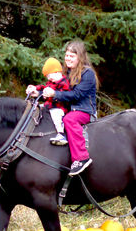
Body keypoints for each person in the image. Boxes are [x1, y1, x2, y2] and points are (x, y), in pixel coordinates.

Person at [42, 40, 99, 176]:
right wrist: (38, 92)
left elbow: (77, 95)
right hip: (69, 109)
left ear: (80, 57)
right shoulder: (66, 72)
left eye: (72, 56)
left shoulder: (88, 73)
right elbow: (54, 87)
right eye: (67, 55)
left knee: (69, 120)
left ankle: (81, 158)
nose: (68, 58)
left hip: (84, 111)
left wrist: (54, 94)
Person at [26, 57, 70, 144]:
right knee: (37, 108)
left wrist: (50, 95)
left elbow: (63, 95)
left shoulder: (64, 83)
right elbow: (43, 87)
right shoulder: (51, 83)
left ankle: (61, 134)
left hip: (60, 107)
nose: (48, 79)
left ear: (57, 72)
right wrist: (35, 88)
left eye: (49, 75)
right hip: (49, 105)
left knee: (56, 115)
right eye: (47, 77)